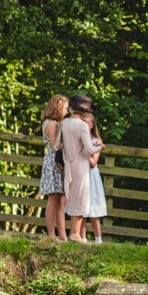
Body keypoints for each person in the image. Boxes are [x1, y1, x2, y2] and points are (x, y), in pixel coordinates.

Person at [59, 94, 96, 243]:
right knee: (81, 199)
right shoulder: (82, 126)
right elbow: (89, 148)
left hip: (69, 163)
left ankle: (75, 233)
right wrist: (100, 146)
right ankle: (75, 233)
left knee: (73, 197)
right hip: (81, 164)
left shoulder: (65, 123)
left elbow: (58, 144)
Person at [37, 94, 70, 242]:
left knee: (59, 198)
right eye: (65, 108)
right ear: (58, 108)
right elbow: (55, 145)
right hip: (53, 163)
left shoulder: (53, 123)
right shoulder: (51, 124)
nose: (67, 111)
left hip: (56, 163)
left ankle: (61, 233)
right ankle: (51, 234)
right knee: (53, 198)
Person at [84, 114, 108, 244]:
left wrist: (83, 151)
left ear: (92, 125)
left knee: (93, 208)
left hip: (91, 176)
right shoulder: (78, 139)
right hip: (80, 174)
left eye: (87, 123)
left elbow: (93, 163)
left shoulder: (96, 141)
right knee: (80, 209)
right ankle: (82, 237)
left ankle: (98, 239)